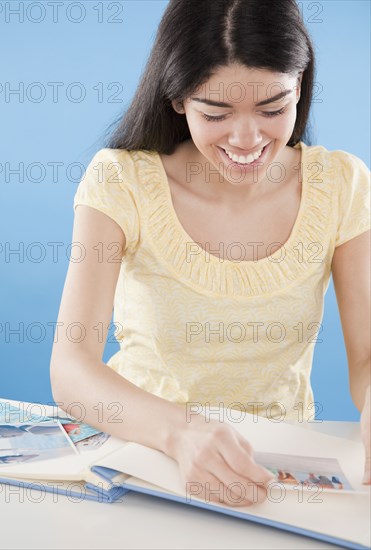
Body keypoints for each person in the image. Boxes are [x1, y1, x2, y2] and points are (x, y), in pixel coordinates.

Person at [50, 0, 370, 508]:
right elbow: (70, 368)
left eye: (273, 109)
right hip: (147, 460)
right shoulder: (122, 181)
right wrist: (182, 434)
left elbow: (367, 357)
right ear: (177, 99)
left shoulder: (342, 184)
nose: (247, 139)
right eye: (216, 113)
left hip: (280, 477)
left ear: (301, 88)